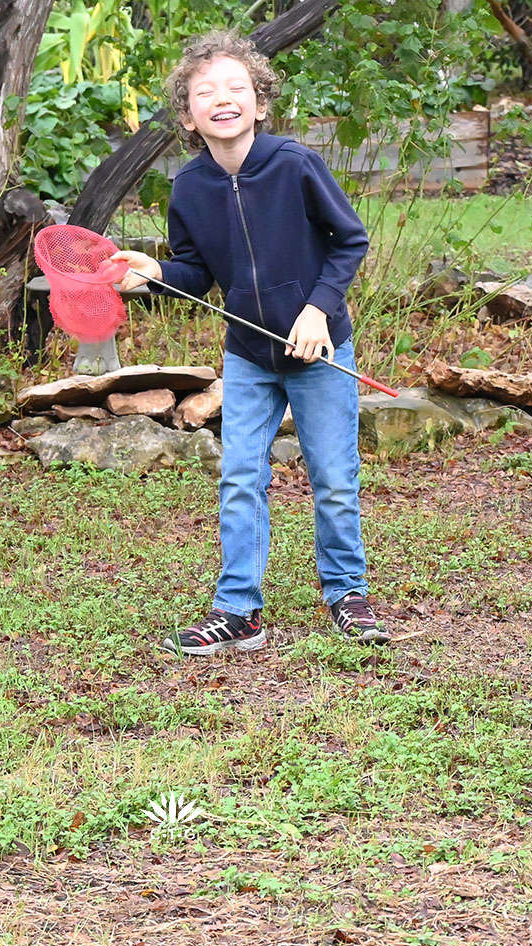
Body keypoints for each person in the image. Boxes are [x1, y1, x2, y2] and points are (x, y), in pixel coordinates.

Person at [113, 30, 389, 655]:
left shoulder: (294, 164)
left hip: (318, 351)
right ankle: (238, 611)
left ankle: (348, 593)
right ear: (188, 115)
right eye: (204, 91)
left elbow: (350, 241)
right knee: (240, 476)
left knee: (334, 478)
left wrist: (319, 310)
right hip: (248, 356)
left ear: (260, 103)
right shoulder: (189, 187)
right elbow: (195, 273)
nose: (222, 98)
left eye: (236, 87)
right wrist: (154, 275)